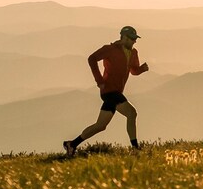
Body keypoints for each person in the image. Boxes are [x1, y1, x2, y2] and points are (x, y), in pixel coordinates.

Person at [63, 26, 149, 156]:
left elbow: (133, 70)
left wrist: (142, 69)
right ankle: (135, 149)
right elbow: (92, 59)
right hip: (109, 91)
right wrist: (99, 81)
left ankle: (72, 144)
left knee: (100, 125)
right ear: (124, 37)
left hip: (117, 92)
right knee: (132, 113)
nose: (134, 41)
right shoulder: (110, 49)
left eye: (135, 39)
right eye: (132, 38)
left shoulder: (133, 53)